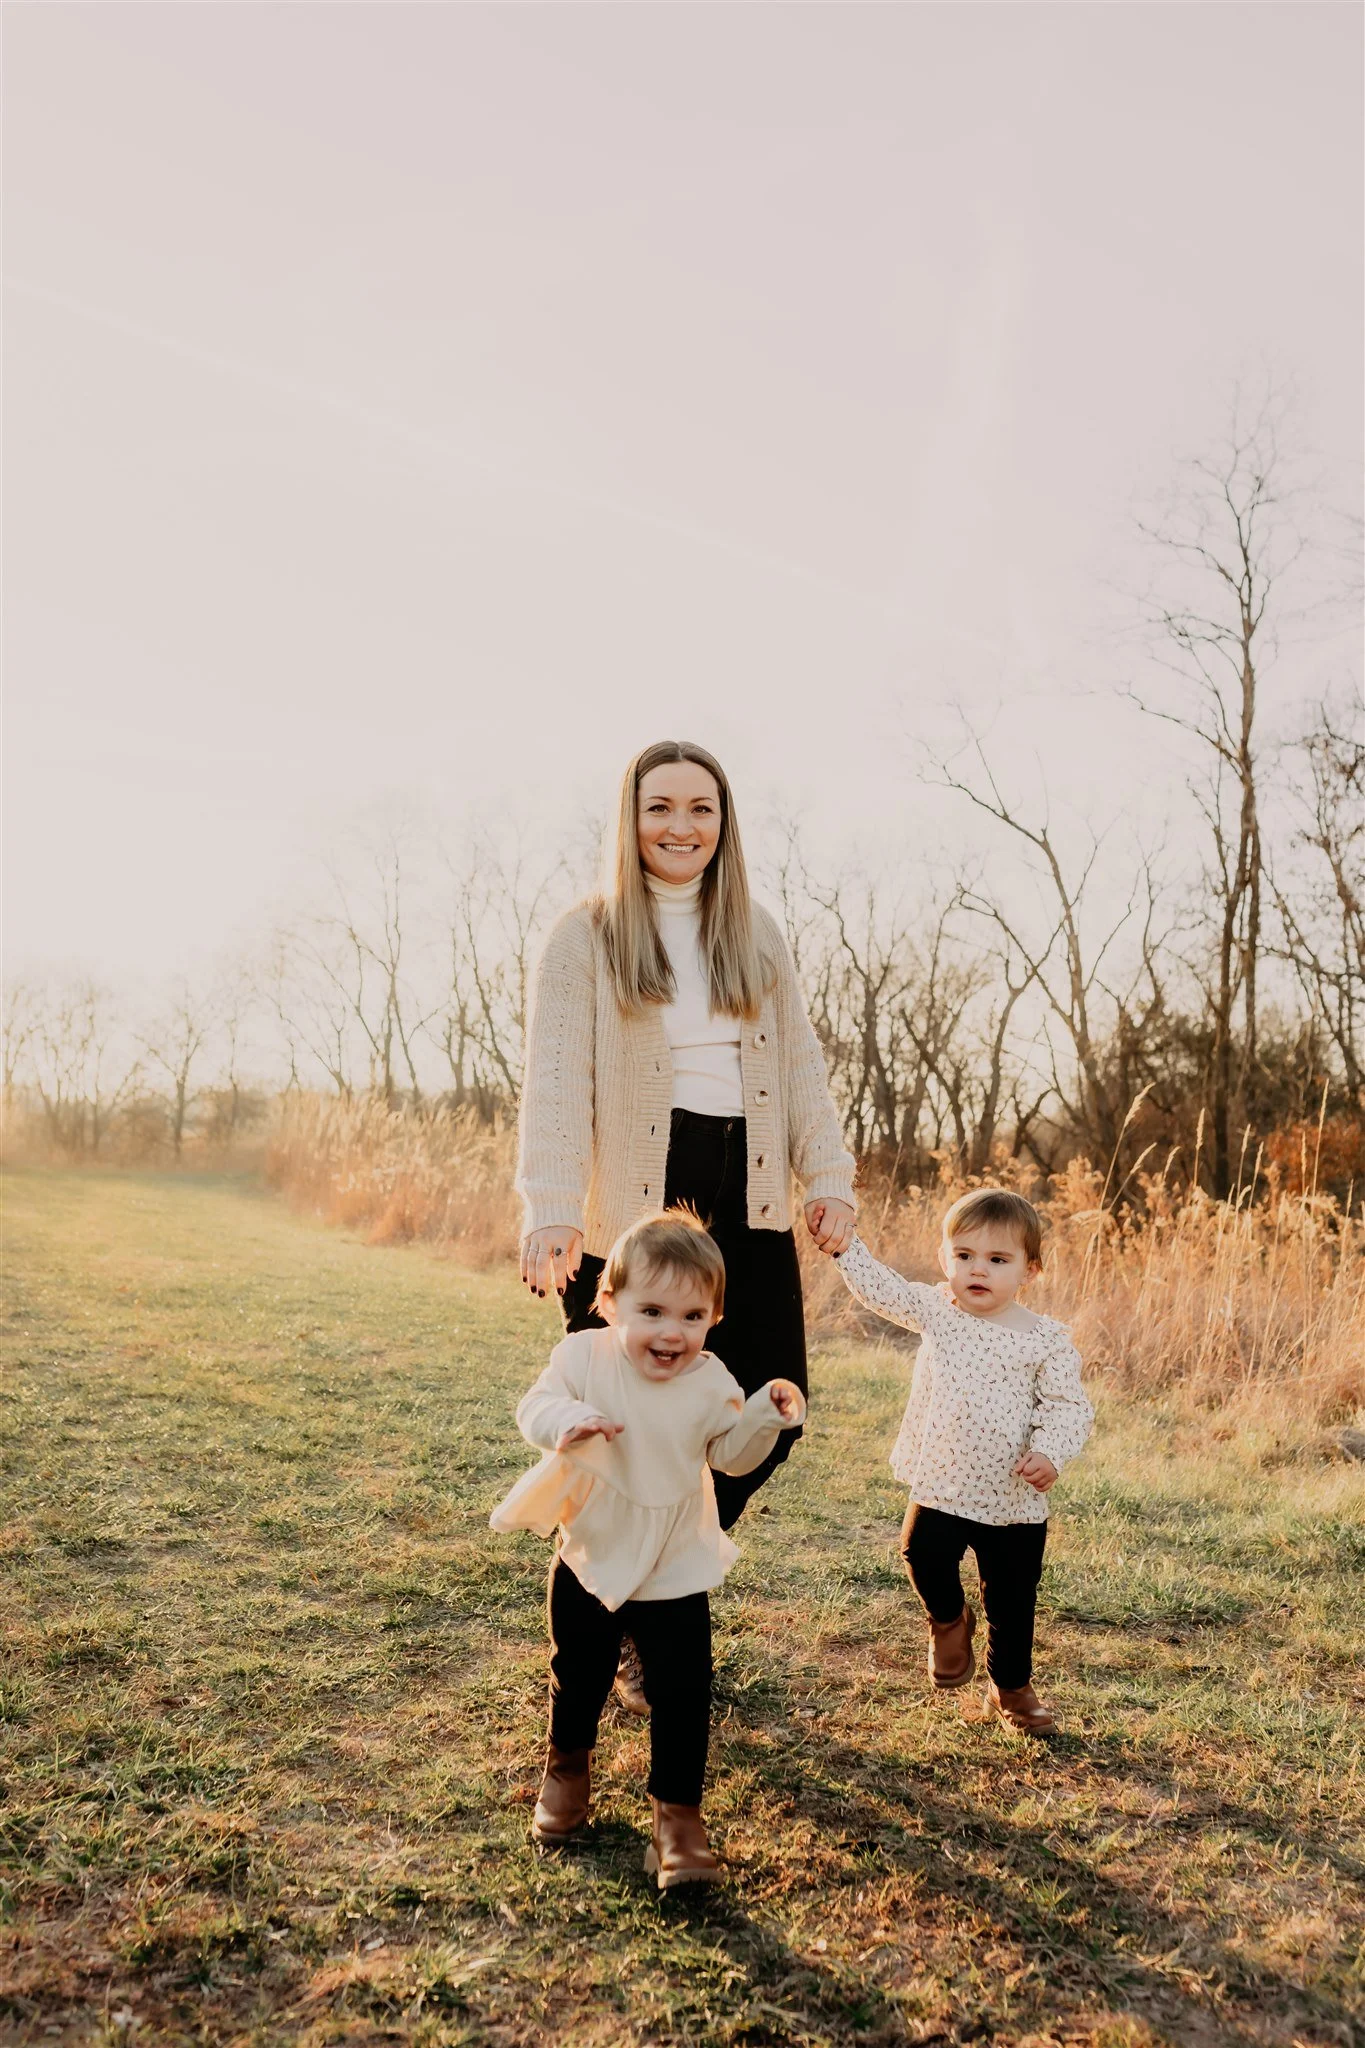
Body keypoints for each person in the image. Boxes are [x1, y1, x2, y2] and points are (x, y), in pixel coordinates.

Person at [515, 739, 855, 1711]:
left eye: (700, 808)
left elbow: (800, 1071)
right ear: (630, 820)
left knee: (771, 1407)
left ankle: (645, 1575)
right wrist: (549, 1208)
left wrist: (825, 1175)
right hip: (631, 1202)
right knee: (616, 1428)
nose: (680, 826)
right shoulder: (585, 936)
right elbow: (554, 1083)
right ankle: (616, 1616)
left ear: (724, 821)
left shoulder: (759, 934)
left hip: (745, 1191)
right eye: (659, 806)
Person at [491, 1210, 804, 1887]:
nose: (672, 1332)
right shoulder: (583, 1356)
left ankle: (677, 1817)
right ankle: (566, 1771)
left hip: (672, 1559)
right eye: (653, 1310)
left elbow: (729, 1458)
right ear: (608, 1305)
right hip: (592, 1549)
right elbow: (534, 1407)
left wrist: (759, 1417)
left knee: (684, 1688)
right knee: (578, 1670)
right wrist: (569, 1420)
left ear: (713, 1319)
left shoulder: (711, 1380)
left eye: (692, 1316)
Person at [823, 1187, 1093, 1734]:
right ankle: (948, 1619)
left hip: (1014, 1498)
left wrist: (1050, 1452)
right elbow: (883, 1290)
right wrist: (843, 1245)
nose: (978, 1270)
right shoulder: (938, 1311)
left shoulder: (1045, 1341)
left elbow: (1068, 1407)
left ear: (1029, 1271)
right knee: (921, 1554)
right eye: (965, 1256)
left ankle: (1011, 1687)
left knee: (1013, 1600)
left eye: (998, 1260)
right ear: (946, 1259)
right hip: (944, 1481)